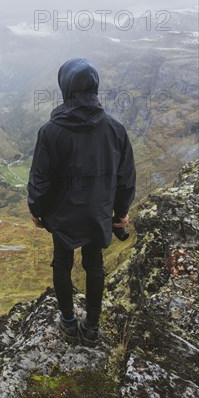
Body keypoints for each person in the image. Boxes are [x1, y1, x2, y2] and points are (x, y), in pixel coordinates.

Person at [27, 58, 136, 346]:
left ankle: (68, 322)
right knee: (94, 265)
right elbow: (126, 177)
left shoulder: (50, 131)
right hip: (97, 213)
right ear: (95, 87)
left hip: (61, 215)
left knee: (61, 263)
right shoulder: (115, 129)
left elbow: (40, 177)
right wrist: (121, 213)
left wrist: (37, 210)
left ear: (65, 88)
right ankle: (92, 328)